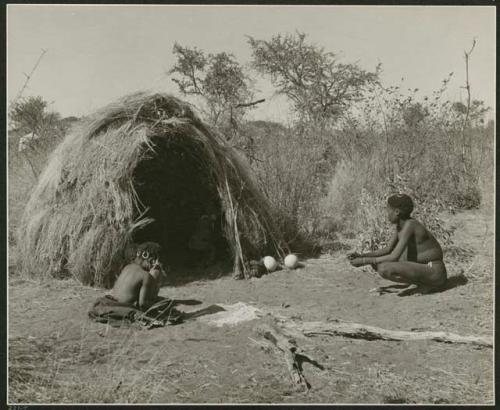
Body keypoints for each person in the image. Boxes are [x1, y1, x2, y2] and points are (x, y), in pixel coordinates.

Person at [348, 194, 447, 290]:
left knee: (384, 268)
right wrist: (362, 256)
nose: (387, 214)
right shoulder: (401, 226)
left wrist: (364, 261)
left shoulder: (410, 225)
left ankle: (429, 285)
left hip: (434, 271)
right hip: (424, 269)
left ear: (396, 212)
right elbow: (387, 249)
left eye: (388, 210)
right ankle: (421, 284)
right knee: (378, 263)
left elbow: (394, 256)